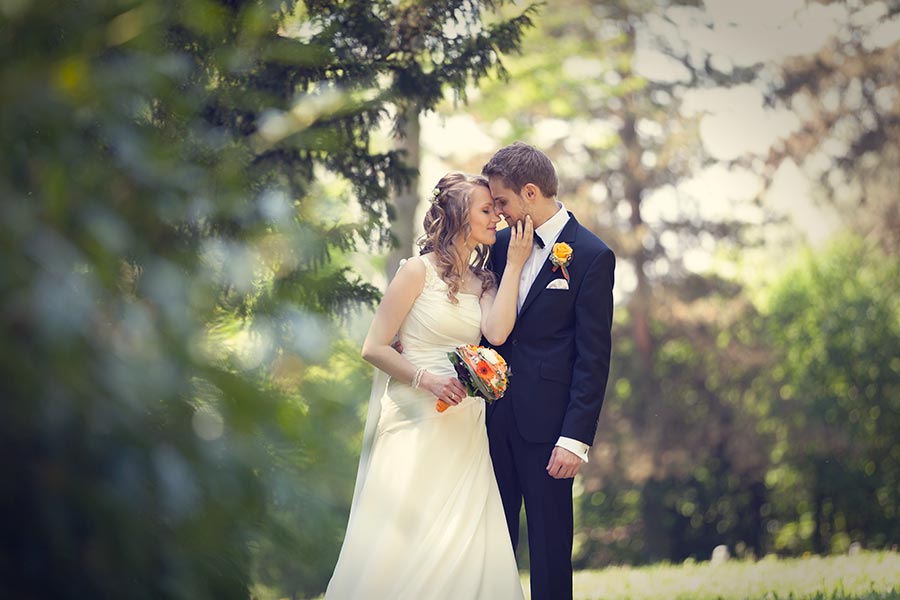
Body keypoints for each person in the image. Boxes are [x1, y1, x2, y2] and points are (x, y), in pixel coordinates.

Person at [325, 172, 533, 599]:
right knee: (405, 541)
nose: (496, 216)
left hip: (465, 426)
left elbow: (495, 334)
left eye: (496, 209)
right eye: (486, 209)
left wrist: (513, 263)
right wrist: (429, 380)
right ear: (458, 216)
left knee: (465, 541)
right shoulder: (414, 273)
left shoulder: (485, 281)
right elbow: (374, 347)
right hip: (416, 419)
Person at [482, 142, 616, 600]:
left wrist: (575, 439)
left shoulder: (593, 256)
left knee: (550, 550)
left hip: (549, 433)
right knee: (488, 546)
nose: (496, 213)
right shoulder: (497, 249)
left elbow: (592, 357)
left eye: (501, 201)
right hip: (492, 422)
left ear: (531, 193)